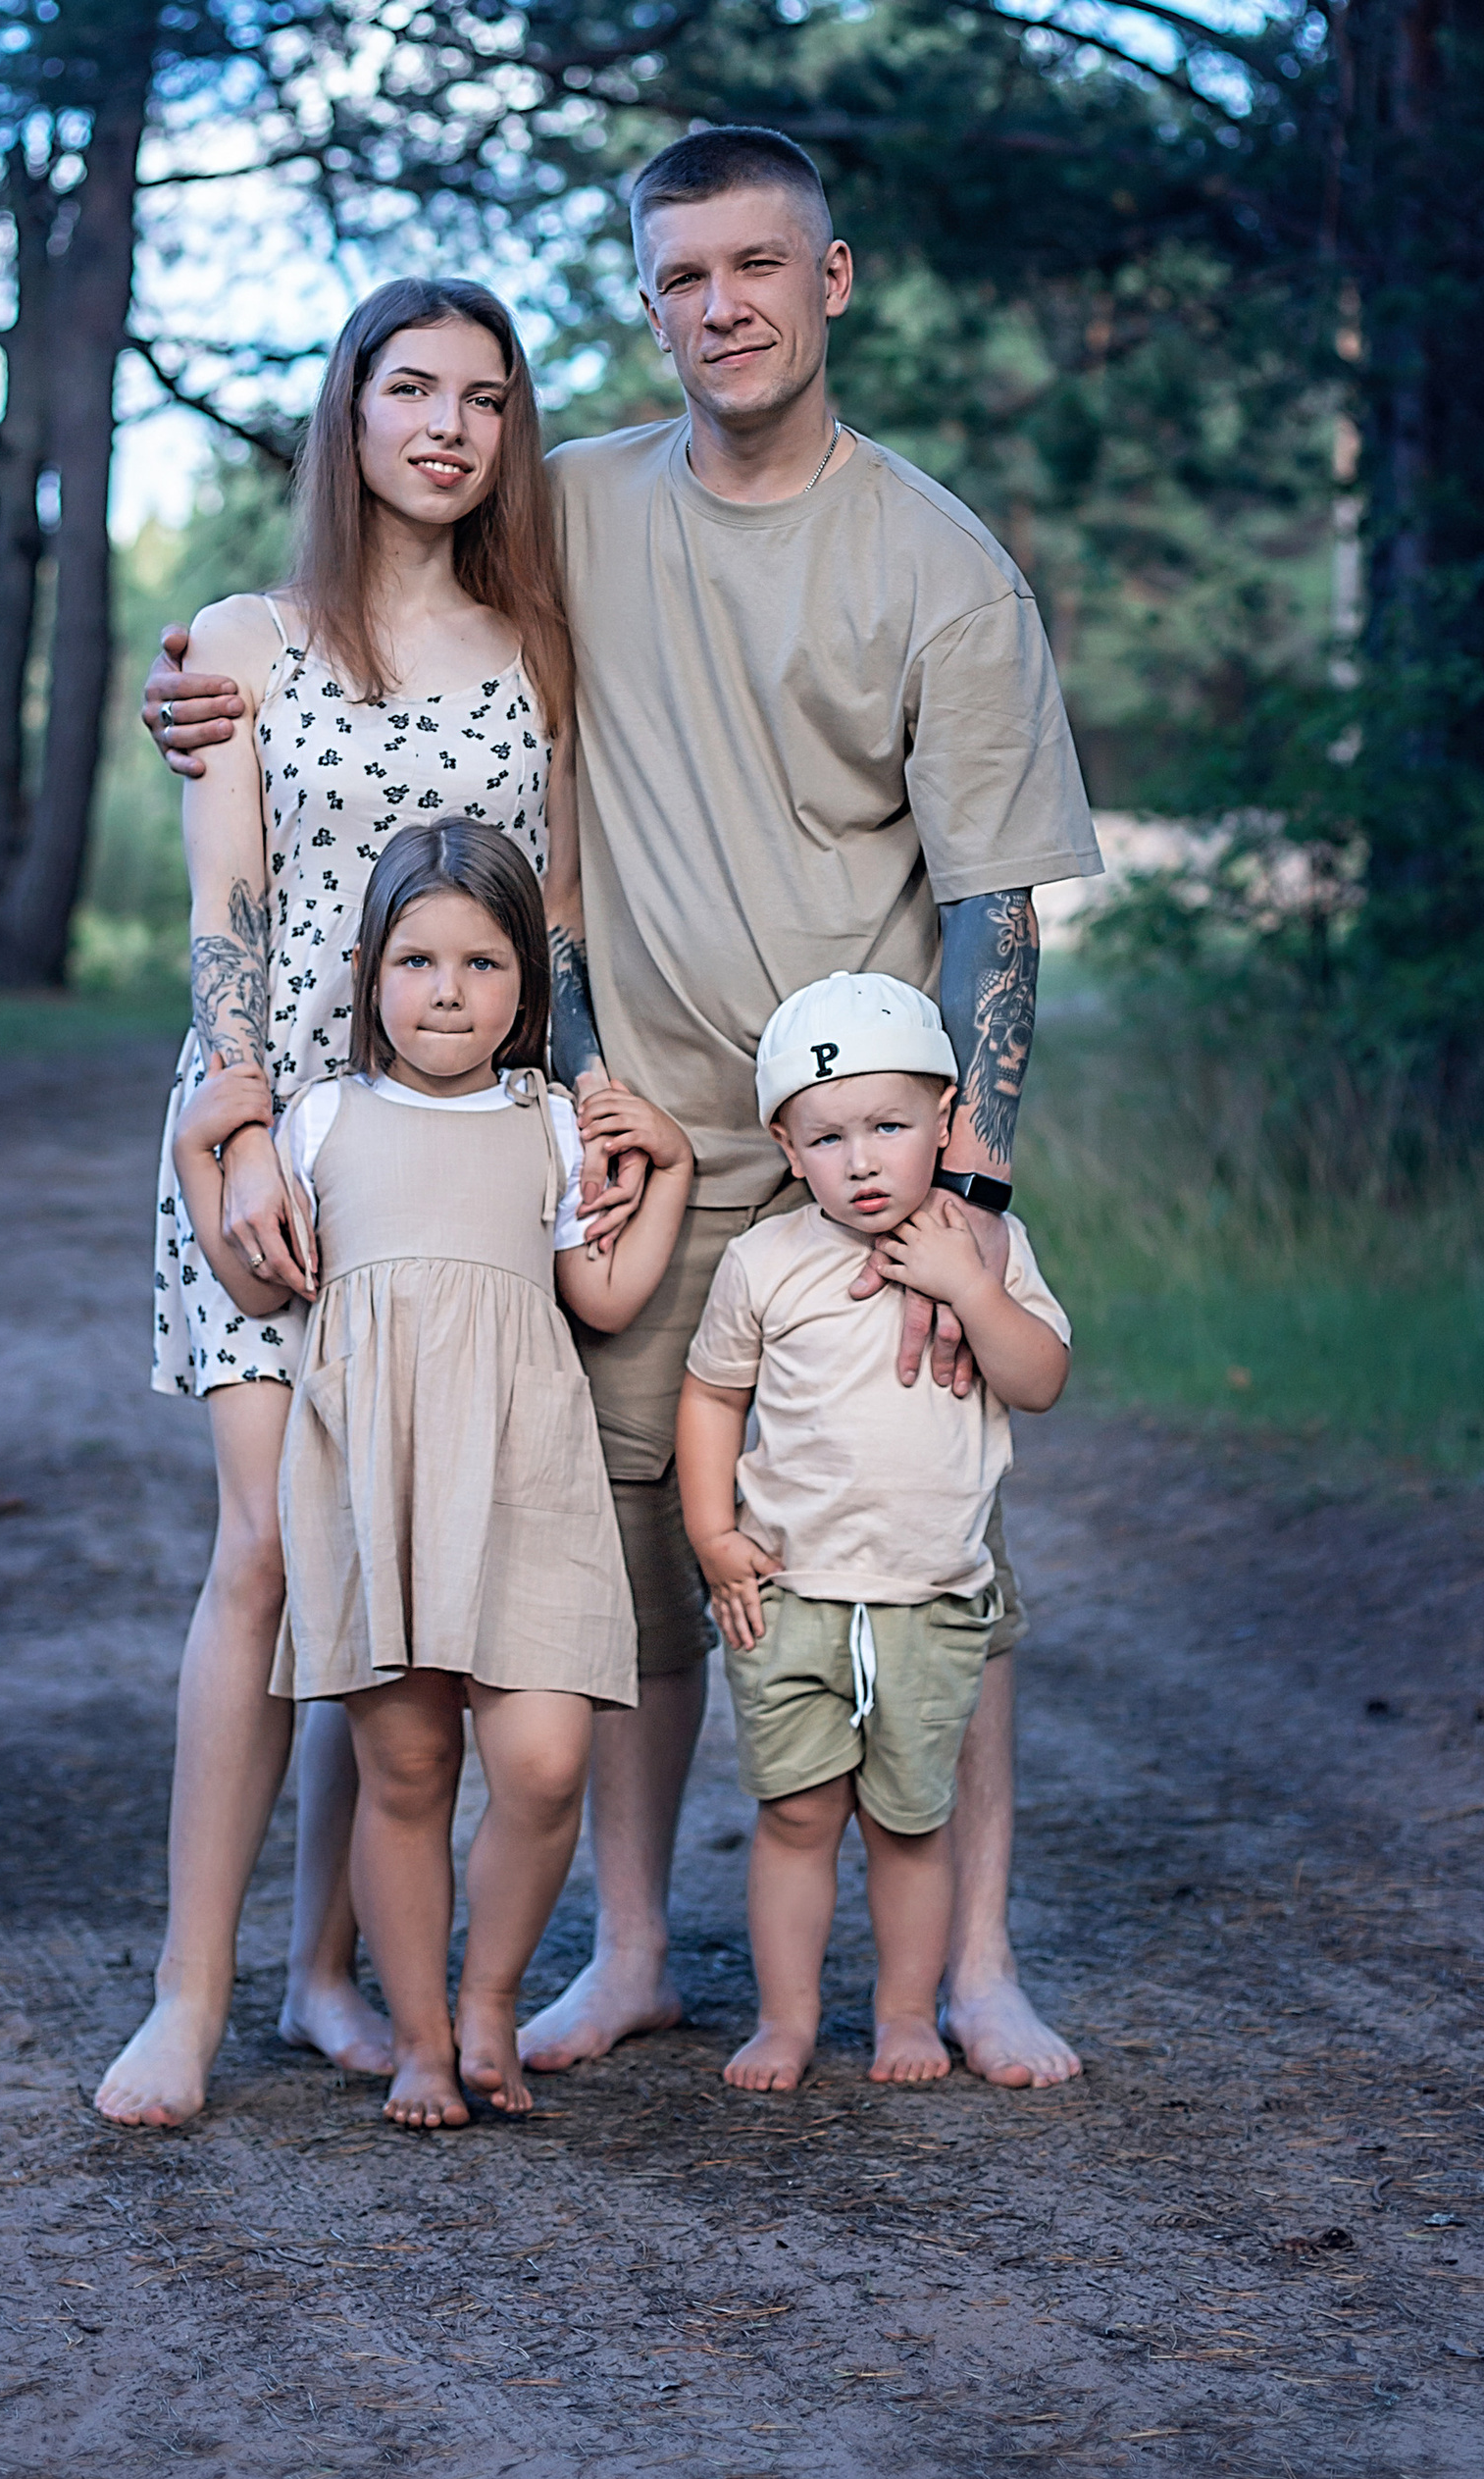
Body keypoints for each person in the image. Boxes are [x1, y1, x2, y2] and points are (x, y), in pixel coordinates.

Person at [142, 125, 1104, 2087]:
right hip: (613, 1145)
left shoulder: (935, 566)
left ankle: (973, 1963)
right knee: (613, 1551)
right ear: (647, 301)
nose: (720, 307)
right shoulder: (573, 504)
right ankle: (641, 1951)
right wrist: (198, 687)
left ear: (827, 283)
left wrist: (972, 1189)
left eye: (757, 267)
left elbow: (999, 904)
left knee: (913, 1538)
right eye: (680, 278)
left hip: (857, 1151)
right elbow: (381, 586)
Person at [95, 275, 602, 2132]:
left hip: (456, 1156)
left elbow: (563, 927)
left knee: (372, 1565)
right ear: (351, 413)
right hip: (269, 1140)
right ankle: (188, 1993)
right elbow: (227, 906)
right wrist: (229, 1139)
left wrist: (591, 1098)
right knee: (266, 1552)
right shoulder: (243, 640)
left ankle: (325, 1978)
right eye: (412, 390)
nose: (448, 426)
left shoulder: (543, 654)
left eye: (484, 396)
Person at [176, 820, 692, 2129]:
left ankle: (487, 2004)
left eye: (479, 961)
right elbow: (255, 1282)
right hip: (380, 1492)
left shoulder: (555, 1129)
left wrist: (674, 1169)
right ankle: (420, 2040)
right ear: (366, 973)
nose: (447, 989)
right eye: (415, 960)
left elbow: (609, 1295)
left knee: (541, 1763)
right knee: (404, 1771)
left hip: (525, 1486)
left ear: (529, 984)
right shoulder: (325, 1120)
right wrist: (201, 1156)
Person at [677, 971, 1071, 2092]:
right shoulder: (765, 1263)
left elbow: (1038, 1379)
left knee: (909, 1820)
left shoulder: (989, 1248)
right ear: (786, 1148)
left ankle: (906, 2012)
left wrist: (971, 1289)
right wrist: (713, 1532)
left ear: (945, 1120)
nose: (861, 1161)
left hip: (931, 1596)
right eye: (828, 1137)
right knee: (796, 1814)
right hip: (792, 1592)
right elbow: (711, 1397)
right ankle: (787, 2020)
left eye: (888, 1127)